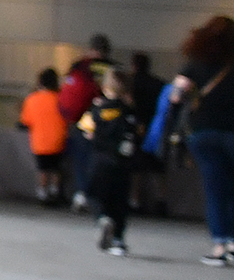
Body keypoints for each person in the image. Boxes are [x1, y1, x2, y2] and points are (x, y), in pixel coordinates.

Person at [163, 16, 234, 266]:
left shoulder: (195, 65)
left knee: (215, 189)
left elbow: (175, 97)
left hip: (204, 133)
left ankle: (219, 244)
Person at [79, 69, 141, 257]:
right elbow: (137, 131)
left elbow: (86, 131)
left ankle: (103, 218)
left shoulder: (97, 109)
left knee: (95, 194)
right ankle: (118, 241)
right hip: (122, 163)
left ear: (105, 87)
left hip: (100, 161)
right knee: (119, 201)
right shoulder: (129, 110)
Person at [58, 35, 115, 211]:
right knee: (103, 159)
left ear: (91, 48)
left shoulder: (79, 66)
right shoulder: (113, 68)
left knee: (81, 159)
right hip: (107, 119)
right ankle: (100, 196)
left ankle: (82, 193)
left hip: (82, 120)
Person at [126, 51, 170, 216]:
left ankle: (135, 200)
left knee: (136, 167)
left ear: (133, 65)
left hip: (136, 127)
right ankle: (161, 200)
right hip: (156, 129)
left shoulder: (131, 83)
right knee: (157, 167)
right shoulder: (158, 84)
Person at [18, 69, 69, 206]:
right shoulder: (60, 99)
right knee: (56, 168)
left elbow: (25, 121)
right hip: (58, 140)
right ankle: (55, 191)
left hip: (39, 142)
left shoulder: (32, 99)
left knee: (43, 169)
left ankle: (42, 193)